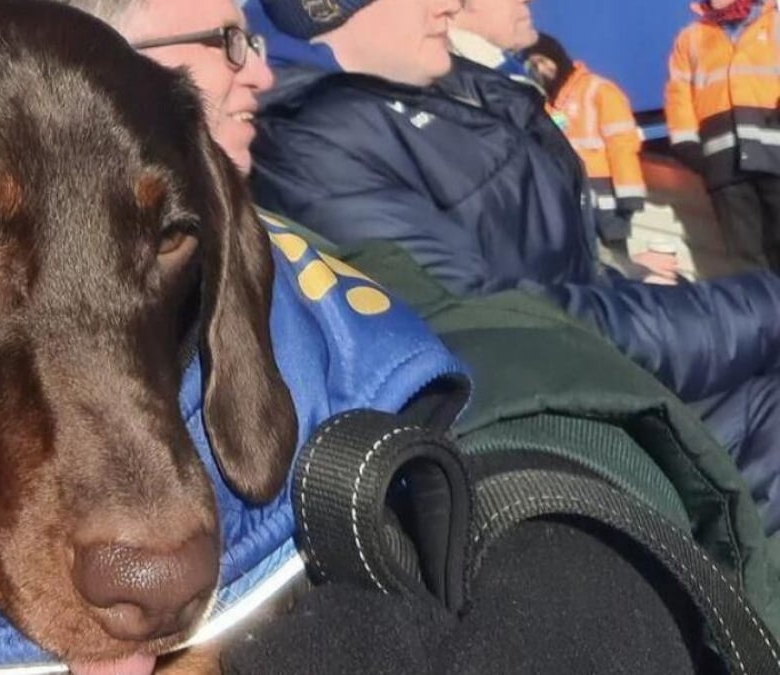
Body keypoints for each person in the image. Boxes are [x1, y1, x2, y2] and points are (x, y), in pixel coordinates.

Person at [245, 0, 780, 533]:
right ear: (327, 10)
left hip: (607, 383)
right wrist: (761, 308)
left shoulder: (453, 89)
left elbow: (565, 280)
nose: (451, 4)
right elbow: (506, 330)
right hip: (570, 442)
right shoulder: (318, 147)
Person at [523, 32, 666, 279]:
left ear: (557, 58)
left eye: (544, 61)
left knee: (619, 264)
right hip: (574, 202)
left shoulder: (598, 90)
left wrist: (629, 195)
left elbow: (622, 143)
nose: (541, 69)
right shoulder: (545, 103)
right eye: (533, 65)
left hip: (608, 201)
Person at [666, 0, 780, 274]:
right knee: (745, 259)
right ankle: (765, 316)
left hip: (775, 157)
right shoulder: (690, 38)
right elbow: (678, 97)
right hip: (724, 167)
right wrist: (688, 147)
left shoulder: (775, 23)